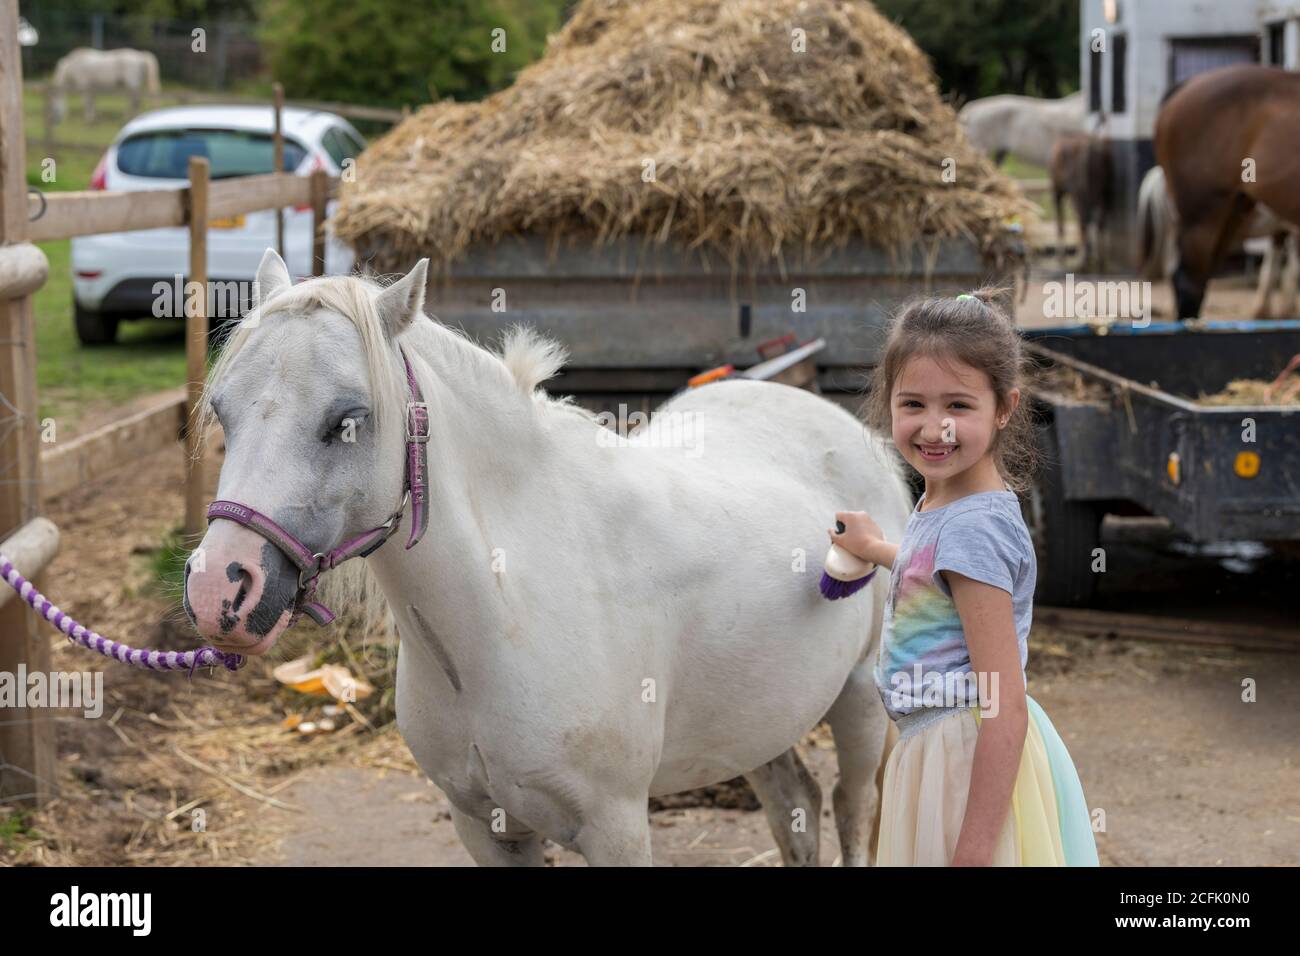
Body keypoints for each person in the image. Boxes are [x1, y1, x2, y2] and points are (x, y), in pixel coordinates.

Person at [829, 290, 1099, 866]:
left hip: (960, 761)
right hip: (937, 747)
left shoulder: (972, 528)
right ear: (889, 404)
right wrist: (875, 547)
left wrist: (974, 849)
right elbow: (936, 577)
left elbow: (1005, 702)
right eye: (914, 405)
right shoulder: (949, 500)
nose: (935, 428)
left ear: (1004, 408)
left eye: (958, 405)